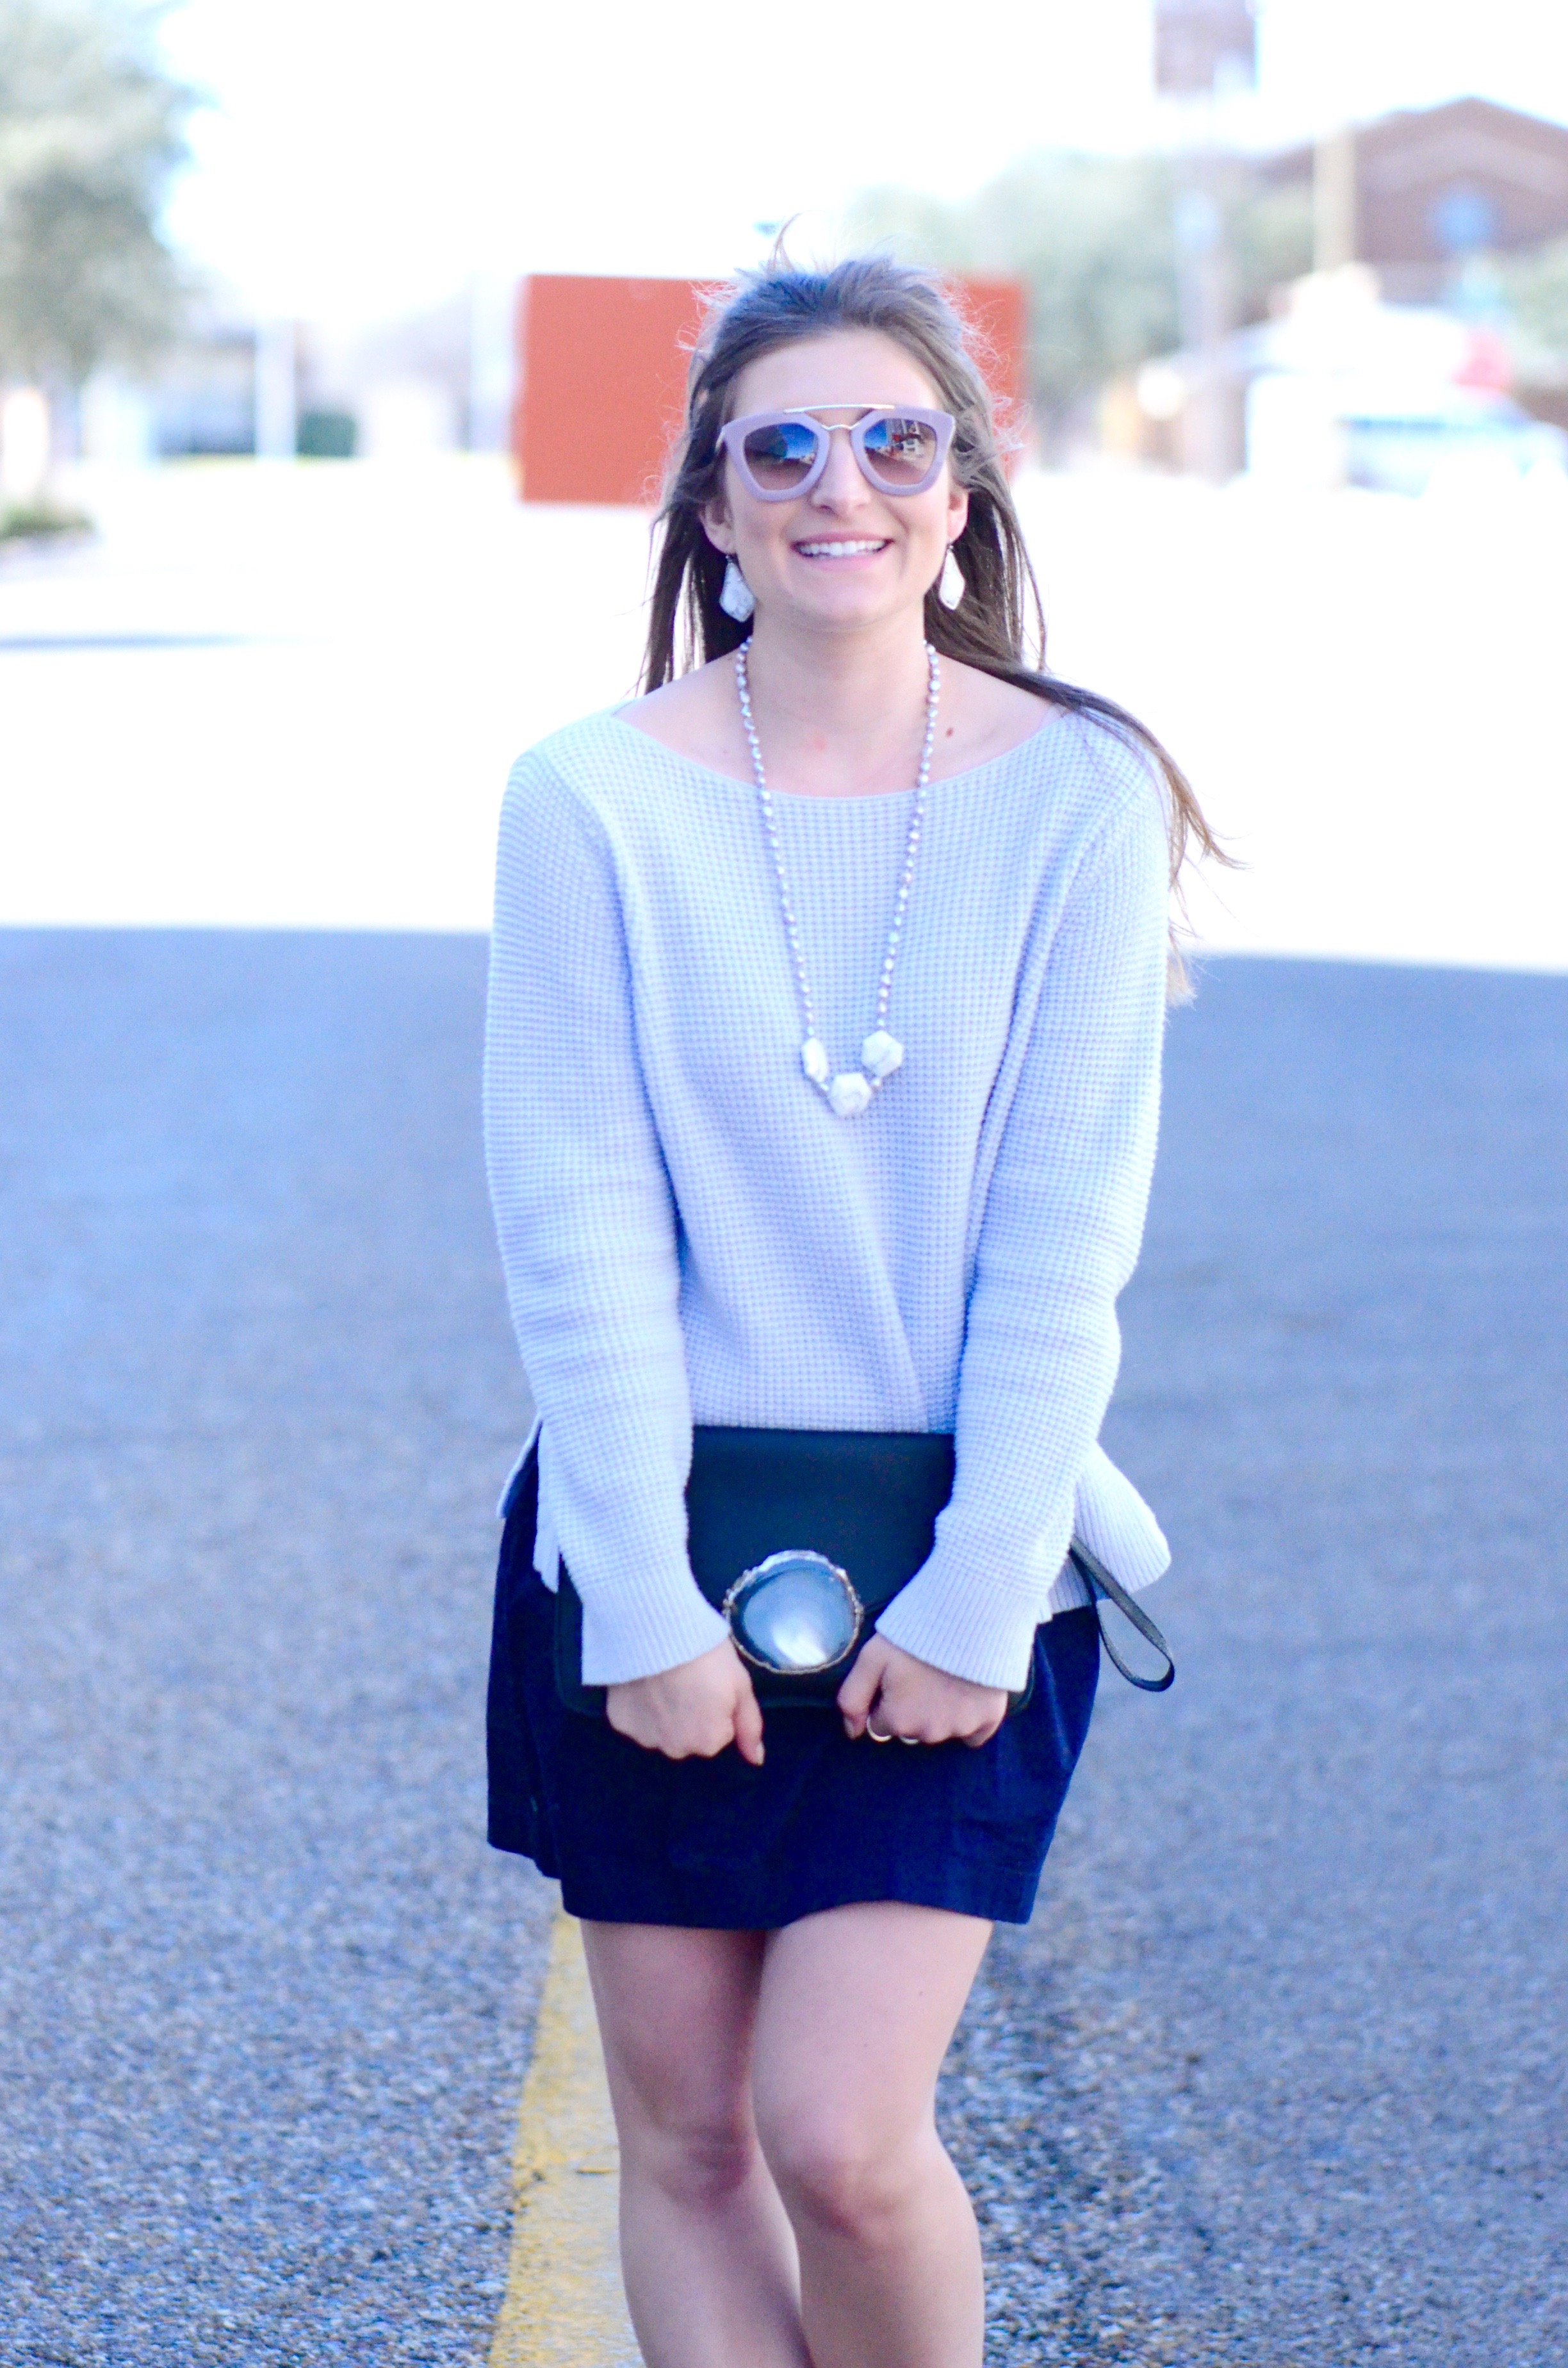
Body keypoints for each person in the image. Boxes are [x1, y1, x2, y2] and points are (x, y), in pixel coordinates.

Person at [482, 258, 1218, 2368]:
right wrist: (636, 1595)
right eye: (782, 445)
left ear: (965, 495)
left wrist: (987, 1588)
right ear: (712, 507)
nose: (843, 486)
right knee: (688, 2139)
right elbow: (579, 1224)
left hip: (964, 1556)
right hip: (653, 1537)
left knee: (841, 2136)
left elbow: (1065, 1236)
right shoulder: (588, 798)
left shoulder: (1076, 789)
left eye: (898, 443)